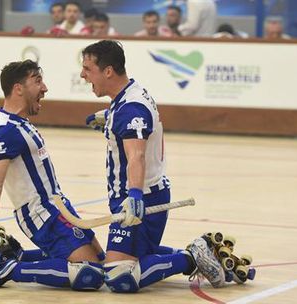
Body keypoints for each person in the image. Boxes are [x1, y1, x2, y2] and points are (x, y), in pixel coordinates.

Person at [81, 40, 227, 292]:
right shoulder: (128, 97)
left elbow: (136, 155)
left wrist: (135, 195)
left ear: (108, 71)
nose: (83, 75)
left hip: (142, 197)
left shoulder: (131, 109)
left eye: (87, 69)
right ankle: (199, 253)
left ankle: (191, 257)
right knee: (133, 253)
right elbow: (134, 122)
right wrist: (108, 118)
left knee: (118, 276)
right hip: (139, 194)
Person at [0, 60, 107, 290]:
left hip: (57, 207)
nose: (45, 88)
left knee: (102, 261)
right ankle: (6, 270)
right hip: (41, 214)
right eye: (37, 81)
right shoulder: (5, 131)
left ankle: (14, 257)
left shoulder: (21, 123)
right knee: (91, 274)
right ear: (18, 88)